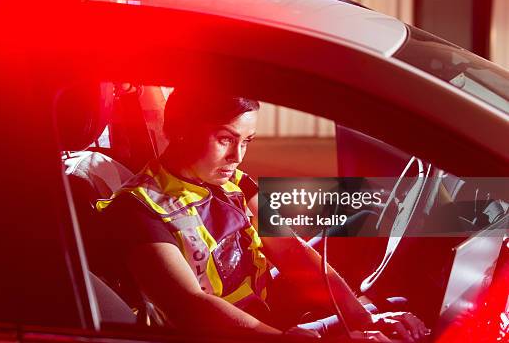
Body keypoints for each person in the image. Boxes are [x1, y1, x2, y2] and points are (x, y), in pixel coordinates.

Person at [92, 88, 429, 341]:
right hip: (226, 336)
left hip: (267, 316)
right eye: (225, 139)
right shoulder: (137, 209)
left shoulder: (234, 183)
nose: (237, 156)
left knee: (393, 305)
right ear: (182, 129)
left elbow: (291, 252)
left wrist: (363, 318)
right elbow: (189, 306)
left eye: (247, 141)